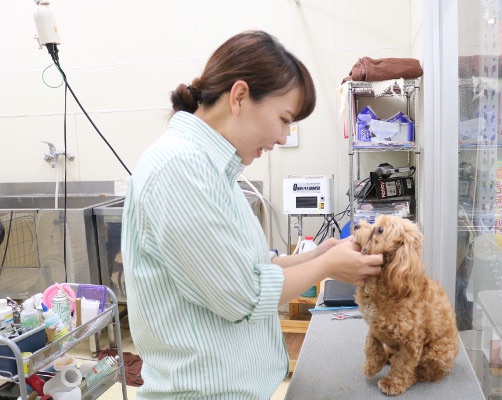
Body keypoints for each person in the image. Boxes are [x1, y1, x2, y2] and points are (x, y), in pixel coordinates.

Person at [121, 30, 383, 400]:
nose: (282, 136)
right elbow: (244, 295)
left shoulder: (214, 169)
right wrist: (327, 267)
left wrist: (315, 256)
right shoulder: (181, 168)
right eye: (284, 118)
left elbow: (245, 268)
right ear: (240, 96)